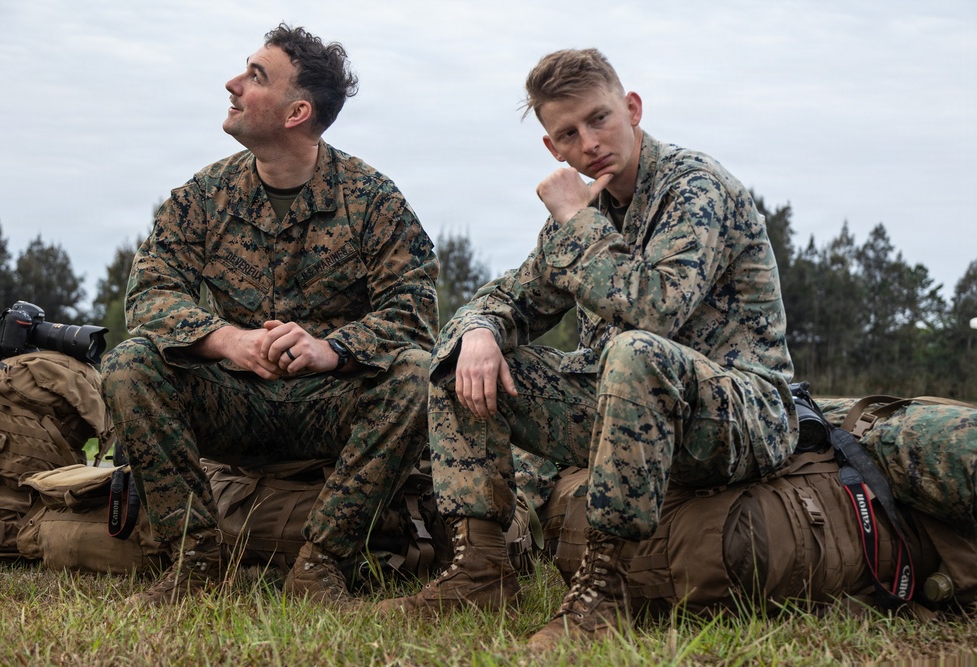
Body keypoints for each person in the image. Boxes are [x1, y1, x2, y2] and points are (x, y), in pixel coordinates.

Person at [376, 48, 798, 646]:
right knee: (460, 360)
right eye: (569, 133)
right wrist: (479, 331)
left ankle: (607, 592)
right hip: (631, 404)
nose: (590, 142)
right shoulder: (585, 212)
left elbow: (657, 309)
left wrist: (578, 223)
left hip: (740, 413)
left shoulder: (694, 187)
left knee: (633, 351)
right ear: (554, 149)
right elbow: (510, 298)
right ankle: (480, 570)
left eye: (600, 119)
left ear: (632, 109)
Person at [101, 24, 439, 606]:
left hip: (330, 406)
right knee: (130, 364)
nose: (232, 84)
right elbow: (150, 293)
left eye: (255, 76)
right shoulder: (204, 196)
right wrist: (226, 340)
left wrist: (330, 350)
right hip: (235, 400)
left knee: (415, 374)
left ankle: (322, 565)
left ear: (296, 112)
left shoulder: (372, 200)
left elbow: (414, 313)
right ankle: (195, 563)